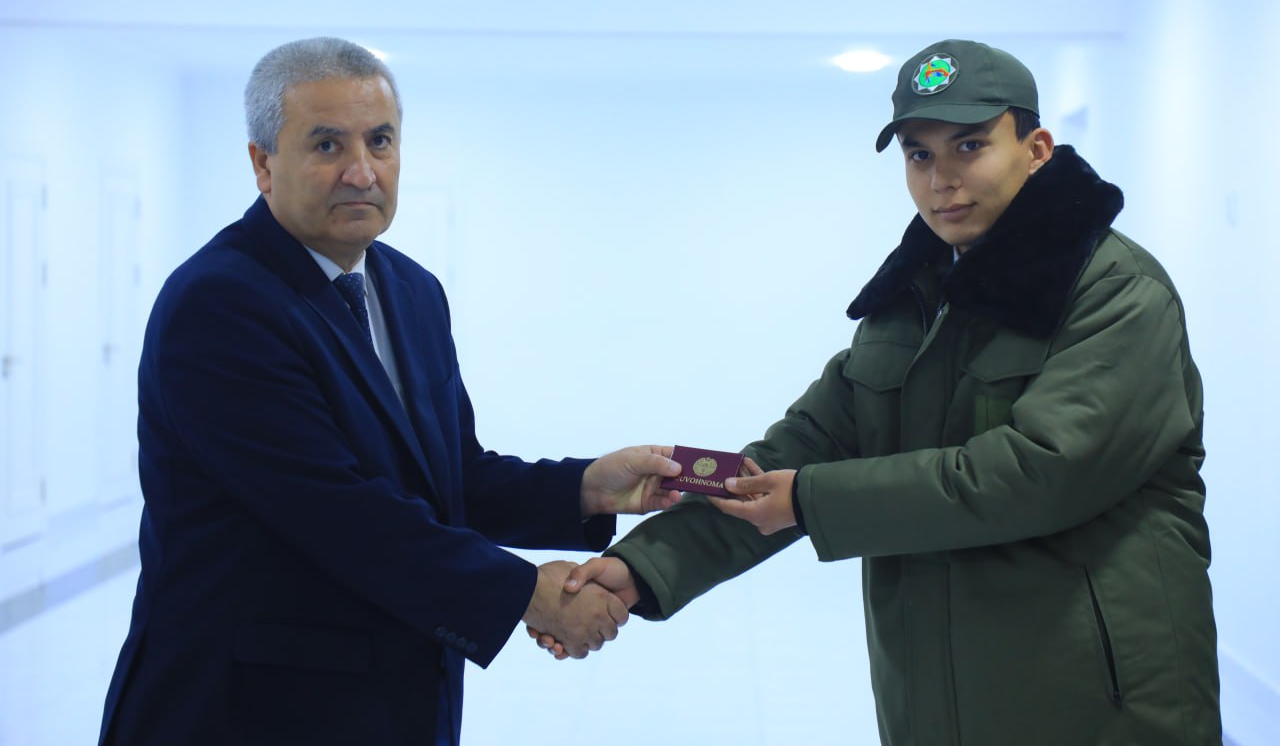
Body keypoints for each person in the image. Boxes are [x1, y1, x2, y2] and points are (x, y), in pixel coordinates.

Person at [543, 39, 1221, 745]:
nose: (942, 179)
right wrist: (639, 566)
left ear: (1037, 149)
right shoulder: (912, 302)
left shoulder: (1115, 292)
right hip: (936, 708)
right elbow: (793, 455)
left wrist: (811, 499)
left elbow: (1038, 475)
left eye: (970, 146)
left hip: (1098, 708)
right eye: (919, 154)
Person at [98, 36, 683, 746]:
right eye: (327, 145)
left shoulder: (411, 291)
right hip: (245, 712)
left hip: (394, 705)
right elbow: (339, 513)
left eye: (380, 141)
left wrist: (588, 489)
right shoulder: (220, 304)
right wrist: (529, 594)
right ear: (262, 163)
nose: (361, 171)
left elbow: (449, 480)